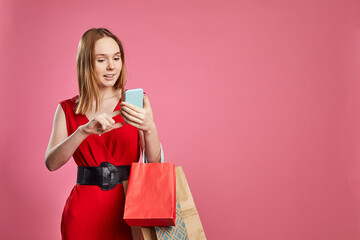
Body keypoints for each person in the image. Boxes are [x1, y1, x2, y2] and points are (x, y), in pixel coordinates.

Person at [45, 28, 162, 240]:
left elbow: (154, 164)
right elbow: (51, 163)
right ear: (87, 63)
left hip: (130, 209)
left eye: (116, 58)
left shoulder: (136, 101)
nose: (111, 66)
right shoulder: (67, 109)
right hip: (82, 213)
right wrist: (84, 131)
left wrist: (150, 128)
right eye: (101, 60)